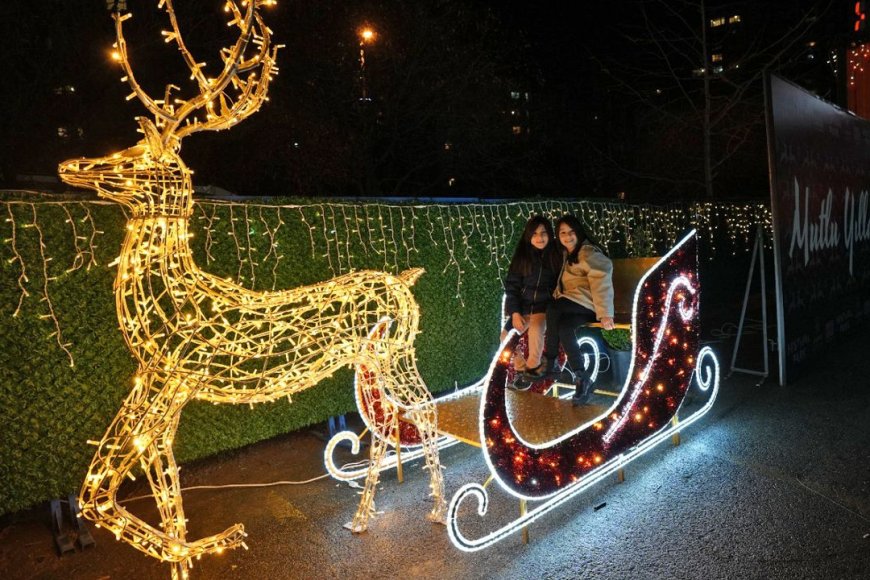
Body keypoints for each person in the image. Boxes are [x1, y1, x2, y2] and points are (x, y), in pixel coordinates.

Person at [526, 215, 615, 406]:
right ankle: (582, 378)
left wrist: (606, 313)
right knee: (564, 328)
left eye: (571, 232)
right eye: (563, 233)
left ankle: (551, 362)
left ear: (579, 232)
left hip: (589, 304)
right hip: (577, 306)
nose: (567, 237)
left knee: (553, 308)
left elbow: (602, 280)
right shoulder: (569, 254)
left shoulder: (588, 252)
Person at [501, 215, 561, 377]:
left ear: (549, 234)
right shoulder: (522, 257)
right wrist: (515, 313)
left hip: (544, 308)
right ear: (528, 236)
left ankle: (534, 367)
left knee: (536, 330)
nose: (539, 237)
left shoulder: (556, 255)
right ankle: (520, 368)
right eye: (534, 234)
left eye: (543, 233)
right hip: (524, 309)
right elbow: (512, 287)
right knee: (506, 337)